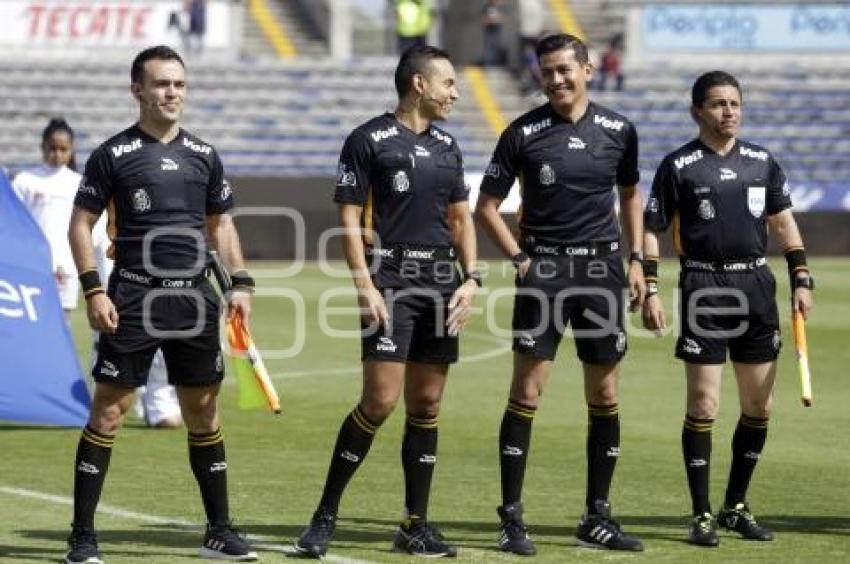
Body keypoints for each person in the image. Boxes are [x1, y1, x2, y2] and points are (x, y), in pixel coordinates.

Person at [65, 45, 257, 563]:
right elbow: (79, 225)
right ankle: (82, 538)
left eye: (179, 84)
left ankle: (219, 532)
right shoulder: (112, 155)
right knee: (109, 411)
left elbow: (221, 226)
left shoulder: (204, 155)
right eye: (161, 84)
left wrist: (240, 283)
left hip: (194, 299)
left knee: (203, 410)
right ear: (138, 90)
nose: (172, 93)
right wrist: (93, 289)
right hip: (132, 296)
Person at [293, 45, 478, 559]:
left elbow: (461, 220)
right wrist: (364, 285)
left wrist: (473, 279)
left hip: (442, 284)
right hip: (391, 280)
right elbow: (349, 221)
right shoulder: (367, 140)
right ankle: (324, 516)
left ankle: (415, 525)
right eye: (447, 83)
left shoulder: (448, 146)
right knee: (379, 401)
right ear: (418, 84)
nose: (455, 93)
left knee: (427, 404)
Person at [474, 33, 646, 554]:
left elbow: (631, 194)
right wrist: (522, 260)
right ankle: (511, 519)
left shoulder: (620, 130)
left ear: (588, 70)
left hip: (601, 273)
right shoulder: (522, 133)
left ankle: (597, 516)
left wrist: (637, 259)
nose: (556, 79)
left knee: (606, 395)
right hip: (544, 273)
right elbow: (487, 206)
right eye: (547, 71)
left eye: (565, 70)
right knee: (527, 394)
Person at [642, 70, 814, 547]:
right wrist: (651, 288)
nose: (729, 112)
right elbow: (651, 228)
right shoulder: (679, 165)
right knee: (704, 404)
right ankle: (700, 514)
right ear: (698, 110)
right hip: (704, 285)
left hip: (756, 284)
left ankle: (735, 506)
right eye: (718, 104)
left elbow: (783, 224)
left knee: (759, 406)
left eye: (734, 103)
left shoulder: (762, 162)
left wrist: (801, 277)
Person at [12, 118, 81, 317]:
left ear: (71, 149)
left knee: (62, 323)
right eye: (52, 148)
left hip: (66, 265)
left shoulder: (78, 183)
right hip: (32, 264)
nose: (57, 154)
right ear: (42, 147)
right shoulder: (25, 181)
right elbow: (16, 226)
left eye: (63, 149)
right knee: (30, 318)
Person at [481, 0, 504, 66]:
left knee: (495, 46)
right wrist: (490, 21)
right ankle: (488, 63)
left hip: (496, 28)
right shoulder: (487, 7)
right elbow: (484, 20)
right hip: (489, 29)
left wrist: (497, 19)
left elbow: (500, 18)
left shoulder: (498, 8)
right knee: (489, 47)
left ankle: (494, 63)